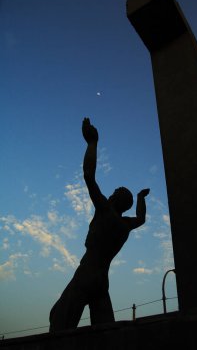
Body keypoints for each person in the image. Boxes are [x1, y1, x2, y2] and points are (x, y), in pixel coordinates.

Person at [49, 118, 150, 332]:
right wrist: (141, 197)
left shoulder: (106, 212)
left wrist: (91, 143)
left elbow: (89, 176)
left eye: (114, 192)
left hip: (87, 273)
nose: (111, 194)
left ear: (115, 199)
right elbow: (141, 218)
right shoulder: (125, 225)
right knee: (105, 331)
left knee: (59, 321)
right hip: (102, 282)